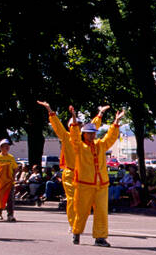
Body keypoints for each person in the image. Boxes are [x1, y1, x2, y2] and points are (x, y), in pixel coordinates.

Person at [42, 103, 123, 246]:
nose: (91, 134)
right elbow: (67, 132)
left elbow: (108, 136)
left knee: (102, 211)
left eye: (93, 132)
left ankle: (100, 237)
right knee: (79, 209)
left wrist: (113, 121)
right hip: (80, 181)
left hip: (101, 184)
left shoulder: (100, 144)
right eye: (77, 125)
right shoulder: (76, 143)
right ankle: (76, 230)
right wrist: (53, 111)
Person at [0, 139, 19, 222]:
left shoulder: (11, 157)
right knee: (0, 199)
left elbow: (15, 168)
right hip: (0, 182)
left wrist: (13, 176)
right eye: (5, 146)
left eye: (8, 146)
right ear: (1, 147)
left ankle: (10, 215)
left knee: (10, 199)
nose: (7, 147)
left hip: (9, 182)